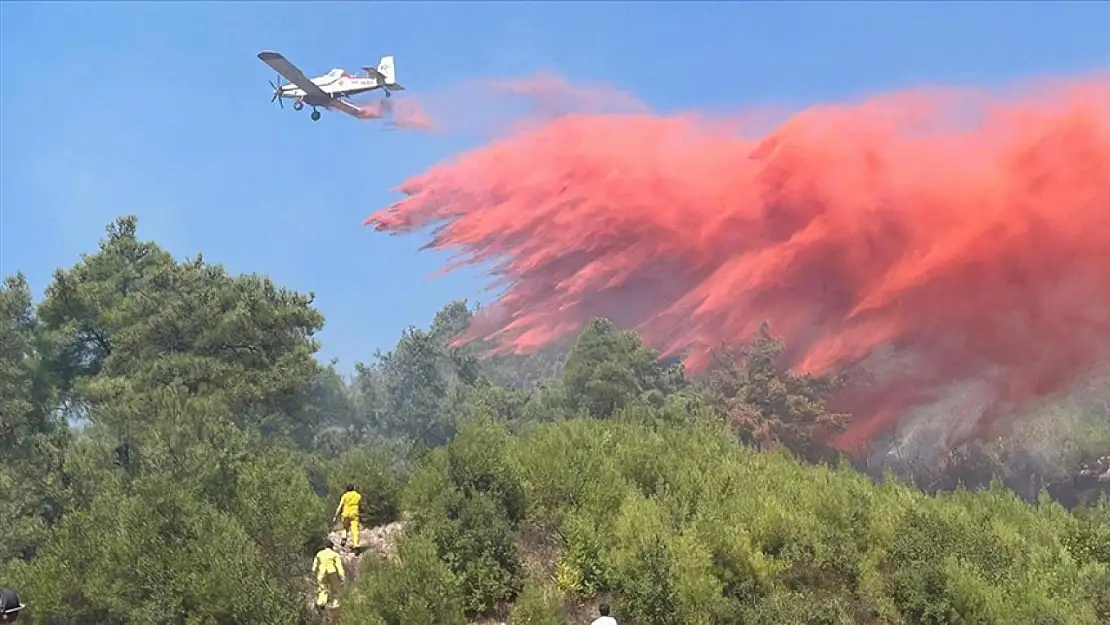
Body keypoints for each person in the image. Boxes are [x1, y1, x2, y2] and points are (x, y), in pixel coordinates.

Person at [312, 540, 345, 610]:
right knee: (335, 588)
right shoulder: (335, 554)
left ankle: (321, 602)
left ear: (325, 546)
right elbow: (339, 566)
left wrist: (314, 572)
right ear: (332, 547)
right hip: (332, 572)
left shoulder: (319, 554)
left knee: (322, 588)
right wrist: (342, 576)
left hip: (322, 572)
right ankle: (335, 603)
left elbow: (315, 565)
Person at [333, 484, 362, 549]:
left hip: (345, 513)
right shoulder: (358, 496)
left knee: (345, 527)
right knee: (355, 530)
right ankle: (356, 544)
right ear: (354, 488)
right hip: (354, 514)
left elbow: (340, 506)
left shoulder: (345, 496)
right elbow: (360, 504)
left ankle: (344, 537)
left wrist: (335, 516)